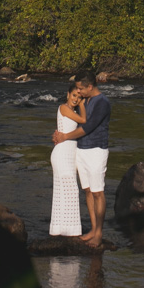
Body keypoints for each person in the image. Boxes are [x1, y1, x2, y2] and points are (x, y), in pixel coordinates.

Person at [52, 70, 110, 247]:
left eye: (80, 89)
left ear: (90, 87)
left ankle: (98, 233)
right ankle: (93, 229)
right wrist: (60, 134)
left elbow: (88, 127)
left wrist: (64, 136)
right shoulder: (86, 100)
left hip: (96, 150)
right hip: (81, 150)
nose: (79, 92)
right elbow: (68, 117)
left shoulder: (102, 102)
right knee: (87, 191)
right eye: (76, 89)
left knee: (98, 192)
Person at [49, 85, 86, 236]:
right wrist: (83, 104)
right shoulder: (64, 108)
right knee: (70, 190)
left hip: (70, 154)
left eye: (79, 97)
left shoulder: (72, 111)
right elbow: (84, 120)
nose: (76, 99)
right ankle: (69, 230)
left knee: (64, 191)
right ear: (68, 94)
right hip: (62, 153)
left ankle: (61, 230)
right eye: (74, 96)